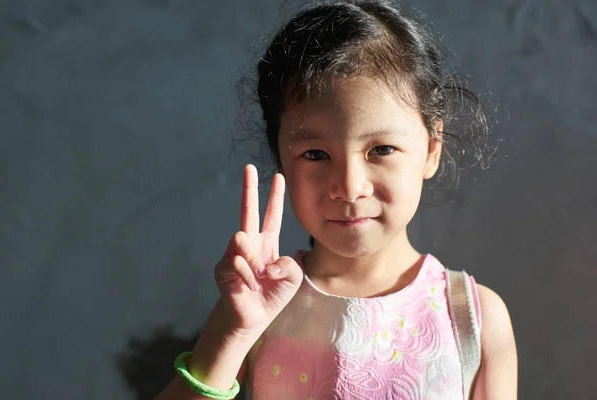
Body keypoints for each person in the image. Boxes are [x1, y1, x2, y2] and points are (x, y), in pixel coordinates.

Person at [156, 1, 517, 399]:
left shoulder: (471, 317)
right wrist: (236, 328)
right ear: (281, 159)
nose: (348, 186)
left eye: (381, 149)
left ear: (432, 150)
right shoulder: (259, 304)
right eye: (315, 155)